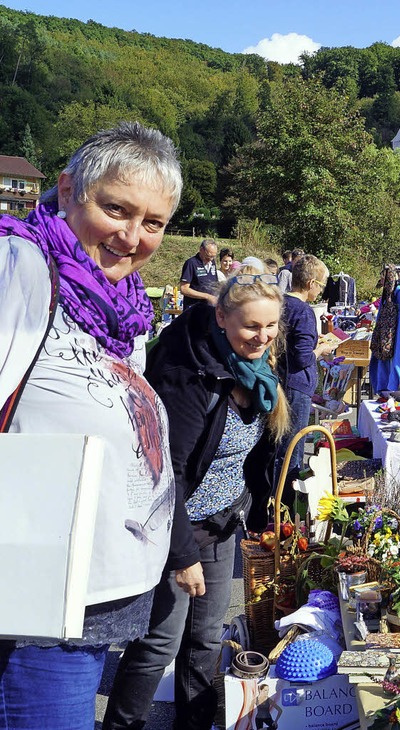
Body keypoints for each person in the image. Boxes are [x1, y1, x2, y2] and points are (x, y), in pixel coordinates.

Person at [0, 122, 181, 728]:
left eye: (153, 223)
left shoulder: (120, 313)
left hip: (88, 604)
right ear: (69, 190)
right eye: (115, 209)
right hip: (29, 607)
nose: (133, 237)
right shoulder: (19, 269)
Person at [103, 268, 290, 730]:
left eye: (270, 326)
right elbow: (170, 475)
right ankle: (121, 726)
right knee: (159, 645)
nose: (262, 336)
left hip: (223, 524)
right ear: (222, 317)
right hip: (174, 529)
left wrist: (262, 508)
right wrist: (181, 553)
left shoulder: (259, 369)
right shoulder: (191, 377)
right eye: (251, 326)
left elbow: (255, 456)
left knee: (207, 639)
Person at [277, 254, 335, 478]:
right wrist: (320, 350)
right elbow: (302, 358)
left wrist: (313, 342)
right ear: (311, 283)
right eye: (320, 286)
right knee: (293, 449)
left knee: (281, 446)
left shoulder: (281, 302)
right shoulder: (303, 311)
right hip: (296, 386)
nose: (320, 291)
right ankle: (288, 506)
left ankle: (277, 498)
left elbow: (291, 344)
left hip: (280, 380)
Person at [180, 238, 221, 308]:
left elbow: (215, 284)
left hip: (209, 307)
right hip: (194, 308)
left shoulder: (212, 262)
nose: (210, 259)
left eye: (213, 257)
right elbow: (184, 289)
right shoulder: (191, 263)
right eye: (208, 256)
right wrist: (207, 296)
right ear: (201, 250)